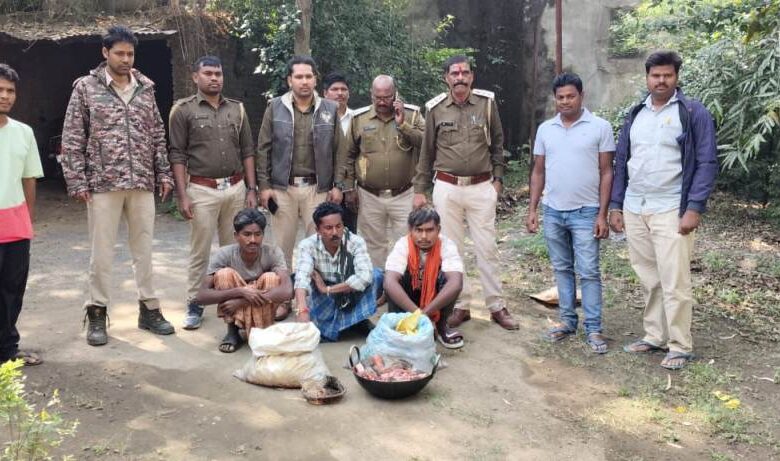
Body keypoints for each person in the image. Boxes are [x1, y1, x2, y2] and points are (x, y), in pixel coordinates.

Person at [60, 26, 175, 346]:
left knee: (144, 251)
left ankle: (149, 310)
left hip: (141, 181)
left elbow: (156, 134)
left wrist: (164, 173)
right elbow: (72, 136)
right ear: (105, 53)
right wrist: (77, 179)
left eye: (130, 54)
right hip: (103, 183)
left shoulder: (145, 88)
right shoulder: (86, 88)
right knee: (101, 254)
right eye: (119, 53)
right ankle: (97, 313)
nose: (125, 59)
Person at [609, 51, 718, 369]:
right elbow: (622, 161)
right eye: (655, 75)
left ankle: (680, 345)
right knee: (649, 276)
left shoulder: (692, 112)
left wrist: (694, 207)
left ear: (676, 77)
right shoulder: (636, 113)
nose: (661, 81)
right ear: (647, 77)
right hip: (635, 206)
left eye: (667, 75)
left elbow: (707, 161)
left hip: (671, 206)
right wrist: (616, 205)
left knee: (674, 280)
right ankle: (655, 336)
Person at [413, 55, 518, 330]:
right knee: (451, 249)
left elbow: (498, 143)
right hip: (447, 188)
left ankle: (496, 305)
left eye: (464, 73)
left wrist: (498, 179)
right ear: (446, 78)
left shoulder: (487, 103)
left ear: (471, 77)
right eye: (454, 73)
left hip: (481, 187)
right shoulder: (435, 109)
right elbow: (426, 152)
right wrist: (420, 189)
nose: (460, 77)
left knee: (487, 247)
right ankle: (460, 305)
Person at [526, 73, 615, 354]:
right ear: (555, 99)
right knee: (562, 268)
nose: (565, 102)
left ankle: (594, 328)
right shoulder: (546, 129)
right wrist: (533, 209)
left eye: (571, 96)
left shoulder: (600, 127)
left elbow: (607, 172)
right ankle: (567, 321)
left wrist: (602, 214)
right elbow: (538, 172)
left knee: (588, 271)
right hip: (553, 211)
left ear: (581, 96)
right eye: (560, 97)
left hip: (586, 212)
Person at [168, 56, 258, 330]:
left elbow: (248, 151)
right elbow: (177, 154)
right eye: (207, 73)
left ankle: (235, 300)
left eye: (218, 73)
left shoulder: (237, 109)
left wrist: (251, 188)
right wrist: (183, 195)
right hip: (201, 190)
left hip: (235, 188)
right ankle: (195, 302)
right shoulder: (182, 110)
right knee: (201, 251)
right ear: (195, 77)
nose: (214, 78)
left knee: (235, 249)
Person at [256, 55, 344, 321]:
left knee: (317, 246)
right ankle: (284, 299)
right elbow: (263, 148)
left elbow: (340, 151)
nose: (304, 81)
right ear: (289, 80)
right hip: (283, 188)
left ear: (315, 79)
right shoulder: (275, 107)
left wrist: (338, 185)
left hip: (317, 188)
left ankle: (314, 300)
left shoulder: (329, 108)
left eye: (308, 76)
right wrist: (264, 186)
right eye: (299, 76)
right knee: (281, 248)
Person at [339, 75, 425, 267]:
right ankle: (378, 283)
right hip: (369, 195)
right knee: (373, 245)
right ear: (371, 94)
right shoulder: (359, 119)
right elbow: (348, 156)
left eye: (387, 97)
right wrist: (349, 188)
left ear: (396, 95)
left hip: (404, 194)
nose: (382, 102)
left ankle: (406, 282)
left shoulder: (412, 115)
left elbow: (427, 144)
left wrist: (403, 125)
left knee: (409, 242)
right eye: (377, 97)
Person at [195, 209, 293, 353]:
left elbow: (287, 290)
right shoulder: (224, 254)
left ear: (263, 235)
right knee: (224, 274)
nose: (253, 240)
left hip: (254, 305)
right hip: (238, 301)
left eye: (258, 234)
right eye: (247, 234)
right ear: (236, 235)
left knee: (271, 278)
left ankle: (263, 329)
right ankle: (233, 331)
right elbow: (201, 296)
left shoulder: (273, 252)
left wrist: (243, 301)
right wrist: (240, 291)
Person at [0, 64, 44, 366]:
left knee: (12, 291)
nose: (5, 96)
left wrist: (28, 220)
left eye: (10, 91)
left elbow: (29, 179)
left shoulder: (24, 133)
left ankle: (7, 350)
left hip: (15, 225)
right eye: (0, 90)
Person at [293, 202, 381, 342]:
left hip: (347, 290)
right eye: (328, 228)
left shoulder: (355, 242)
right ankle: (351, 323)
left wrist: (327, 289)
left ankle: (358, 320)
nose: (335, 232)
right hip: (324, 297)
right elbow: (301, 277)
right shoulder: (308, 245)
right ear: (317, 230)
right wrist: (302, 310)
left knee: (376, 276)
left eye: (338, 226)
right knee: (307, 289)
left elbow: (365, 276)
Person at [384, 207, 465, 349]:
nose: (424, 236)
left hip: (434, 301)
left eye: (429, 230)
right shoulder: (403, 244)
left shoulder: (447, 245)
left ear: (438, 230)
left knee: (449, 279)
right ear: (410, 230)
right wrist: (418, 313)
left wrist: (424, 314)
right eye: (419, 230)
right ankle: (400, 325)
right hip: (409, 300)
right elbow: (389, 282)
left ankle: (441, 326)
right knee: (395, 280)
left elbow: (456, 283)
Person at [322, 71, 357, 232]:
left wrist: (349, 187)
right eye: (334, 89)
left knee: (348, 231)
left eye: (343, 89)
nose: (340, 93)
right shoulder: (318, 119)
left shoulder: (356, 118)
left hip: (349, 188)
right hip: (322, 187)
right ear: (325, 93)